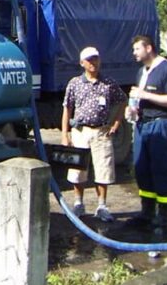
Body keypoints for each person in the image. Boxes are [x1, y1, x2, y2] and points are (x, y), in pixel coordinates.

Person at [125, 35, 167, 242]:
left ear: (149, 48)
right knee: (142, 169)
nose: (134, 53)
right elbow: (138, 97)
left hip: (161, 124)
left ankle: (164, 221)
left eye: (137, 49)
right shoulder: (142, 71)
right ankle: (146, 214)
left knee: (161, 170)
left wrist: (146, 95)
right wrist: (132, 110)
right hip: (142, 124)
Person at [61, 47, 127, 222]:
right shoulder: (75, 83)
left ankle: (102, 206)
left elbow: (123, 100)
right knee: (78, 170)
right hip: (80, 131)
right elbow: (67, 108)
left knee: (103, 169)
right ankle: (78, 203)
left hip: (101, 132)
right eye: (89, 60)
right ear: (82, 63)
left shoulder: (109, 83)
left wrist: (117, 123)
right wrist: (65, 133)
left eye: (96, 59)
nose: (93, 63)